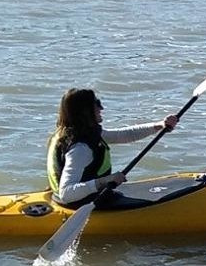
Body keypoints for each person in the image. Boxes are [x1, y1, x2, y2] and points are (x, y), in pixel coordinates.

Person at [46, 87, 178, 207]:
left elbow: (123, 135)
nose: (101, 108)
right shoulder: (80, 149)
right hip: (81, 204)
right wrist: (106, 180)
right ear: (85, 112)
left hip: (76, 198)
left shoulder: (75, 132)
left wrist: (159, 125)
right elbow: (67, 194)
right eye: (97, 104)